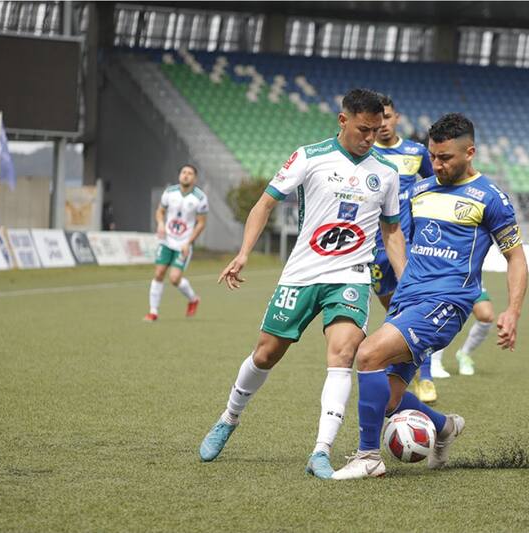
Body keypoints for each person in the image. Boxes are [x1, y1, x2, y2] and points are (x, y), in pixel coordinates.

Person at [199, 89, 407, 479]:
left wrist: (407, 281)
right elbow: (264, 204)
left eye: (376, 131)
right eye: (363, 129)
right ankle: (229, 418)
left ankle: (321, 451)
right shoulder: (309, 157)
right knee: (265, 354)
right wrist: (244, 252)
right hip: (302, 273)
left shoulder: (387, 173)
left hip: (350, 277)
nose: (369, 137)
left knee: (344, 354)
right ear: (343, 120)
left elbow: (392, 231)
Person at [332, 113, 529, 480]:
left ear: (469, 152)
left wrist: (512, 311)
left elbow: (516, 258)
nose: (436, 165)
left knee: (368, 354)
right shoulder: (420, 192)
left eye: (445, 158)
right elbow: (397, 239)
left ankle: (368, 456)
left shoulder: (490, 198)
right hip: (409, 301)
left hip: (446, 305)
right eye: (433, 156)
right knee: (389, 401)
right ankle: (445, 427)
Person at [369, 95, 439, 402]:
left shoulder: (416, 152)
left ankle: (425, 377)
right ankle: (399, 369)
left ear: (397, 117)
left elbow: (436, 184)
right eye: (378, 118)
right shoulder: (366, 153)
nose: (383, 124)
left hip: (409, 246)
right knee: (395, 313)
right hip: (373, 250)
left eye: (387, 117)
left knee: (415, 310)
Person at [144, 164, 207, 322]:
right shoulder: (169, 192)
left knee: (174, 278)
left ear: (195, 178)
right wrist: (160, 223)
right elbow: (160, 211)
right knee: (159, 273)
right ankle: (153, 312)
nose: (186, 175)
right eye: (183, 172)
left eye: (190, 173)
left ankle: (193, 299)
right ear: (179, 175)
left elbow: (201, 223)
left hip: (184, 243)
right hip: (167, 241)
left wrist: (189, 242)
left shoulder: (200, 198)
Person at [428, 292, 495, 378]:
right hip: (447, 284)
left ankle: (464, 354)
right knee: (445, 312)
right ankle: (434, 361)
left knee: (486, 316)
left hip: (472, 285)